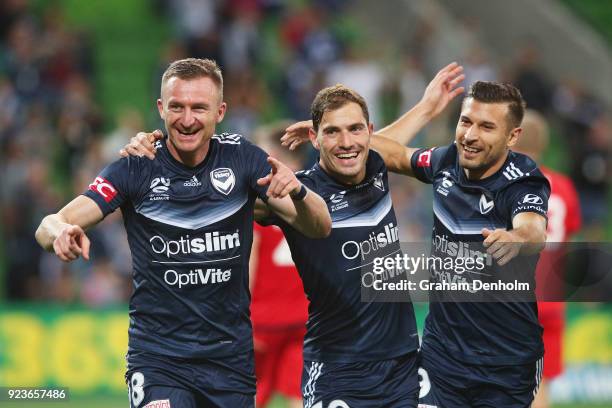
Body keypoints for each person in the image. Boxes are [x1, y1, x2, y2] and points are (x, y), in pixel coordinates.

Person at [123, 62, 466, 407]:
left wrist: (427, 107)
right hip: (337, 368)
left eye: (354, 131)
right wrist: (160, 155)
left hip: (404, 361)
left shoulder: (372, 169)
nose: (347, 143)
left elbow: (375, 146)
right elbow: (209, 192)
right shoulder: (292, 192)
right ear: (315, 139)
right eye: (331, 132)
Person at [35, 58, 331, 408]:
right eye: (177, 107)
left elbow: (319, 226)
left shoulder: (244, 161)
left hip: (229, 363)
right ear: (161, 107)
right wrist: (60, 232)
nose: (187, 119)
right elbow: (49, 223)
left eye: (198, 108)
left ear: (220, 112)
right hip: (159, 359)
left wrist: (297, 190)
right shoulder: (135, 167)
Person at [284, 80, 551, 407]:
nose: (470, 135)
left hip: (506, 362)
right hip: (441, 358)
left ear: (512, 137)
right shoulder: (445, 162)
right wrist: (338, 138)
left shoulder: (522, 180)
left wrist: (516, 238)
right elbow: (394, 154)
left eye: (486, 127)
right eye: (465, 122)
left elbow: (534, 228)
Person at [512, 109, 582, 408]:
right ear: (543, 145)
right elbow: (570, 232)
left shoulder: (506, 185)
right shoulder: (563, 186)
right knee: (541, 387)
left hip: (513, 299)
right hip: (550, 300)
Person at [249, 122, 309, 408]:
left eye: (266, 158)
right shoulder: (313, 204)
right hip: (304, 318)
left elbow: (249, 264)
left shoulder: (257, 207)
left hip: (263, 320)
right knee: (300, 395)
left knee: (251, 395)